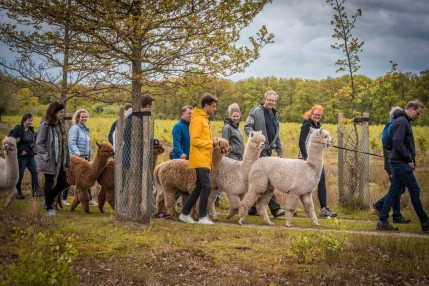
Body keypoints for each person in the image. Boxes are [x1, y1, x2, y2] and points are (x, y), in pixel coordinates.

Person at [376, 100, 429, 232]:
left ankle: (382, 221)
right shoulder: (402, 122)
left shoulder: (402, 121)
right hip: (401, 163)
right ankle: (425, 222)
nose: (418, 116)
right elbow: (397, 142)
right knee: (415, 190)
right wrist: (409, 158)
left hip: (398, 162)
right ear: (410, 109)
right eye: (417, 113)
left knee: (394, 192)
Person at [244, 90, 285, 218]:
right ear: (265, 99)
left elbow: (276, 135)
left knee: (259, 179)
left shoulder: (274, 114)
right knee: (266, 179)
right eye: (269, 100)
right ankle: (275, 209)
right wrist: (256, 138)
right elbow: (247, 127)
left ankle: (252, 208)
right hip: (259, 150)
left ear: (275, 101)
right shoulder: (255, 111)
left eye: (273, 100)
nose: (270, 102)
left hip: (269, 150)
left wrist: (280, 151)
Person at [178, 93, 219, 225]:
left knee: (199, 187)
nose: (215, 109)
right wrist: (211, 143)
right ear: (206, 105)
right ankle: (202, 216)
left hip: (205, 158)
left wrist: (210, 141)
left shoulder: (204, 119)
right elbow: (195, 141)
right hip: (199, 158)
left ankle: (184, 214)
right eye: (213, 106)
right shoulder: (197, 120)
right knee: (207, 186)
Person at [298, 105, 337, 217]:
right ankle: (287, 207)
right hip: (305, 160)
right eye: (315, 114)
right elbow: (301, 143)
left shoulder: (319, 126)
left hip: (317, 160)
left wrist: (328, 142)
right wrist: (307, 159)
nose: (317, 117)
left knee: (321, 180)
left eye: (319, 115)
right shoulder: (307, 125)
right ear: (311, 114)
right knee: (300, 184)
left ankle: (323, 208)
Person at [373, 106, 410, 223]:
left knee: (399, 187)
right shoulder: (394, 124)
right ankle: (381, 206)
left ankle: (396, 215)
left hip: (393, 161)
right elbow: (388, 143)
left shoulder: (395, 123)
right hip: (392, 162)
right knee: (397, 188)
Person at [36, 102, 70, 216]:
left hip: (60, 160)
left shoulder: (60, 124)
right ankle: (49, 208)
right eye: (61, 112)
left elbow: (64, 143)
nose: (62, 114)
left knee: (63, 182)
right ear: (54, 112)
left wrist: (67, 159)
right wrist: (45, 157)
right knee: (49, 183)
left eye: (63, 112)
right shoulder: (45, 125)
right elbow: (39, 143)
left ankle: (47, 201)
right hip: (49, 160)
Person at [63, 109, 96, 206]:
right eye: (82, 117)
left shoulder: (85, 129)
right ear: (78, 118)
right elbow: (71, 142)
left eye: (86, 117)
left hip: (85, 158)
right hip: (76, 159)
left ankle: (89, 199)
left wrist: (88, 156)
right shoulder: (75, 128)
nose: (84, 118)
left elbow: (87, 145)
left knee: (86, 179)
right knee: (69, 179)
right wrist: (77, 153)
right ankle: (63, 198)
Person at [9, 113, 40, 199]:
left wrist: (35, 148)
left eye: (31, 121)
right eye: (29, 121)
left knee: (35, 172)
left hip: (30, 156)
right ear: (24, 120)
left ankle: (35, 191)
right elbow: (11, 142)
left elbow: (32, 142)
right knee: (20, 174)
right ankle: (18, 192)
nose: (30, 122)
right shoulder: (18, 130)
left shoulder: (31, 130)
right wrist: (20, 151)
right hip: (21, 157)